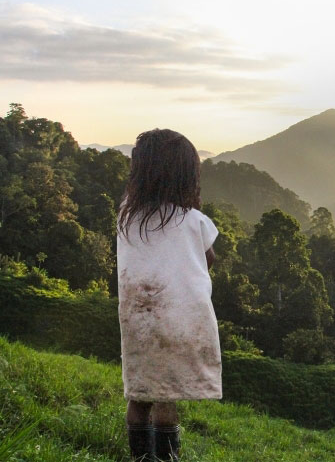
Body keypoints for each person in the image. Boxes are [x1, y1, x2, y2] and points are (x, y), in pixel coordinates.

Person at [117, 129, 221, 461]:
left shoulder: (126, 218)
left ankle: (139, 458)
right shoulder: (194, 221)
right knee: (166, 398)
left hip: (138, 316)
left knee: (139, 395)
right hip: (178, 319)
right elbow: (208, 259)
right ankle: (166, 458)